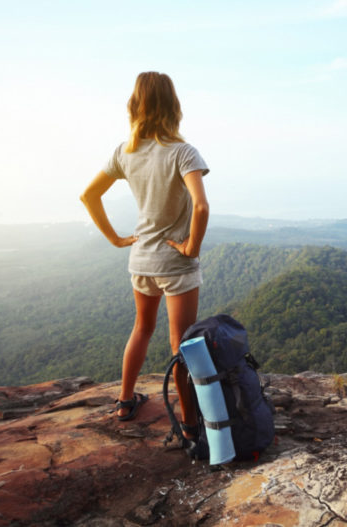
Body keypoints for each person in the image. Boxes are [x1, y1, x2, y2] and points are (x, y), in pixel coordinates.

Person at [80, 72, 208, 439]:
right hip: (175, 263)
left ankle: (124, 401)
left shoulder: (125, 152)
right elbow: (200, 207)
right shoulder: (184, 153)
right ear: (174, 106)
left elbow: (89, 195)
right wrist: (191, 248)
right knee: (181, 343)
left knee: (141, 328)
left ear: (135, 107)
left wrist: (116, 240)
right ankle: (189, 422)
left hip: (141, 260)